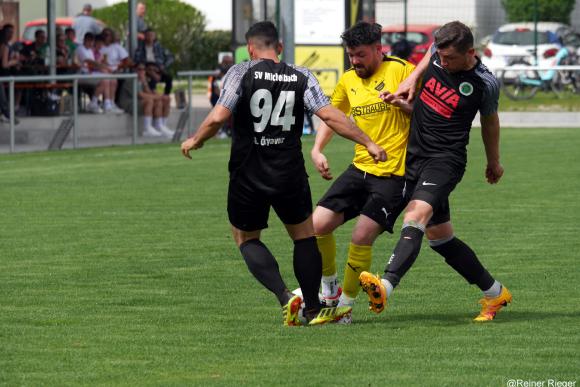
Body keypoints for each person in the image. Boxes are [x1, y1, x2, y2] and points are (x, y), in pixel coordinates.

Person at [180, 21, 387, 326]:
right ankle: (315, 308)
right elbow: (330, 115)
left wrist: (196, 139)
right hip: (289, 172)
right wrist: (367, 141)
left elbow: (219, 116)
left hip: (248, 173)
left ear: (250, 49)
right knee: (304, 237)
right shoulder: (301, 75)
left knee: (246, 238)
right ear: (279, 47)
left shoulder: (241, 72)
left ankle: (285, 296)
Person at [359, 20, 512, 322]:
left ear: (470, 52)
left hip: (445, 161)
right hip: (415, 157)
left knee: (414, 216)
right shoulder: (438, 52)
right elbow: (427, 59)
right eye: (440, 57)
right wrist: (409, 84)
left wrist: (494, 161)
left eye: (450, 59)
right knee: (441, 239)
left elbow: (491, 122)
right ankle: (496, 294)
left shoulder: (485, 83)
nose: (443, 63)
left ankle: (385, 286)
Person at [309, 21, 415, 323]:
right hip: (360, 168)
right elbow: (333, 117)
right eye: (351, 55)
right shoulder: (348, 80)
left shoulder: (402, 71)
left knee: (361, 234)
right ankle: (328, 288)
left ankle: (344, 306)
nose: (355, 61)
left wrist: (402, 104)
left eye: (361, 55)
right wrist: (317, 150)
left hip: (395, 173)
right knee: (317, 225)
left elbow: (423, 112)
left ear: (378, 50)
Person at [118, 63, 173, 138]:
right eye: (139, 69)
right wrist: (157, 97)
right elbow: (140, 95)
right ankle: (147, 129)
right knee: (149, 100)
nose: (142, 71)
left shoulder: (144, 80)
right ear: (134, 70)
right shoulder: (131, 80)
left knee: (163, 100)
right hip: (129, 103)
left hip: (139, 102)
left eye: (143, 69)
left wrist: (144, 83)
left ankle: (161, 125)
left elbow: (149, 93)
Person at [75, 32, 118, 115]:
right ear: (84, 40)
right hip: (82, 74)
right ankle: (102, 104)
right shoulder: (80, 48)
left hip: (91, 73)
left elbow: (95, 64)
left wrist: (105, 67)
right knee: (105, 78)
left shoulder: (90, 50)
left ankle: (109, 103)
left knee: (112, 79)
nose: (90, 43)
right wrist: (104, 67)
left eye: (92, 41)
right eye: (88, 41)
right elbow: (89, 62)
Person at [133, 28, 174, 95]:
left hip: (158, 67)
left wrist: (164, 65)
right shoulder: (140, 47)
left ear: (155, 37)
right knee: (151, 79)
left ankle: (166, 96)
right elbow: (136, 60)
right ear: (145, 36)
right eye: (148, 35)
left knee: (169, 78)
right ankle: (153, 96)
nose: (150, 37)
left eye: (152, 35)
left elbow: (171, 57)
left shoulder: (159, 47)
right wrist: (145, 67)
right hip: (146, 68)